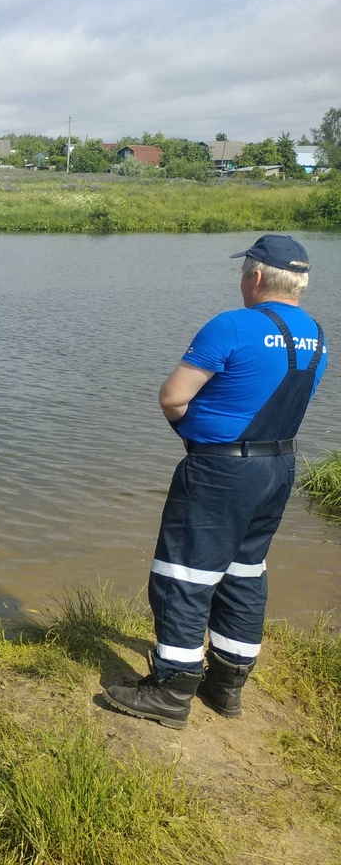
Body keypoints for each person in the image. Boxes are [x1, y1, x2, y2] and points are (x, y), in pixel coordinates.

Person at [105, 235, 326, 729]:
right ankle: (227, 685)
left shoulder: (231, 324)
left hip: (222, 470)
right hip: (278, 467)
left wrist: (191, 431)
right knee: (245, 572)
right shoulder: (315, 333)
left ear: (256, 277)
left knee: (183, 575)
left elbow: (172, 397)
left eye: (243, 272)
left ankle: (173, 688)